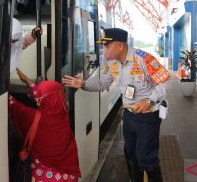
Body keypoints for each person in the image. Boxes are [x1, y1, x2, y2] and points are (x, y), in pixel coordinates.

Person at [62, 28, 170, 182]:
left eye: (106, 46)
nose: (103, 51)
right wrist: (83, 84)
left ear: (120, 46)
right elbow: (102, 84)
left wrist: (148, 101)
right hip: (129, 115)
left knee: (146, 158)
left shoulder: (144, 59)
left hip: (148, 116)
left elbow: (163, 84)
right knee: (130, 154)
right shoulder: (111, 63)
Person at [9, 76, 81, 182]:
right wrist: (28, 82)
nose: (38, 97)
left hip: (46, 176)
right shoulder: (63, 111)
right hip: (67, 175)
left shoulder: (34, 118)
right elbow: (47, 97)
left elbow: (13, 105)